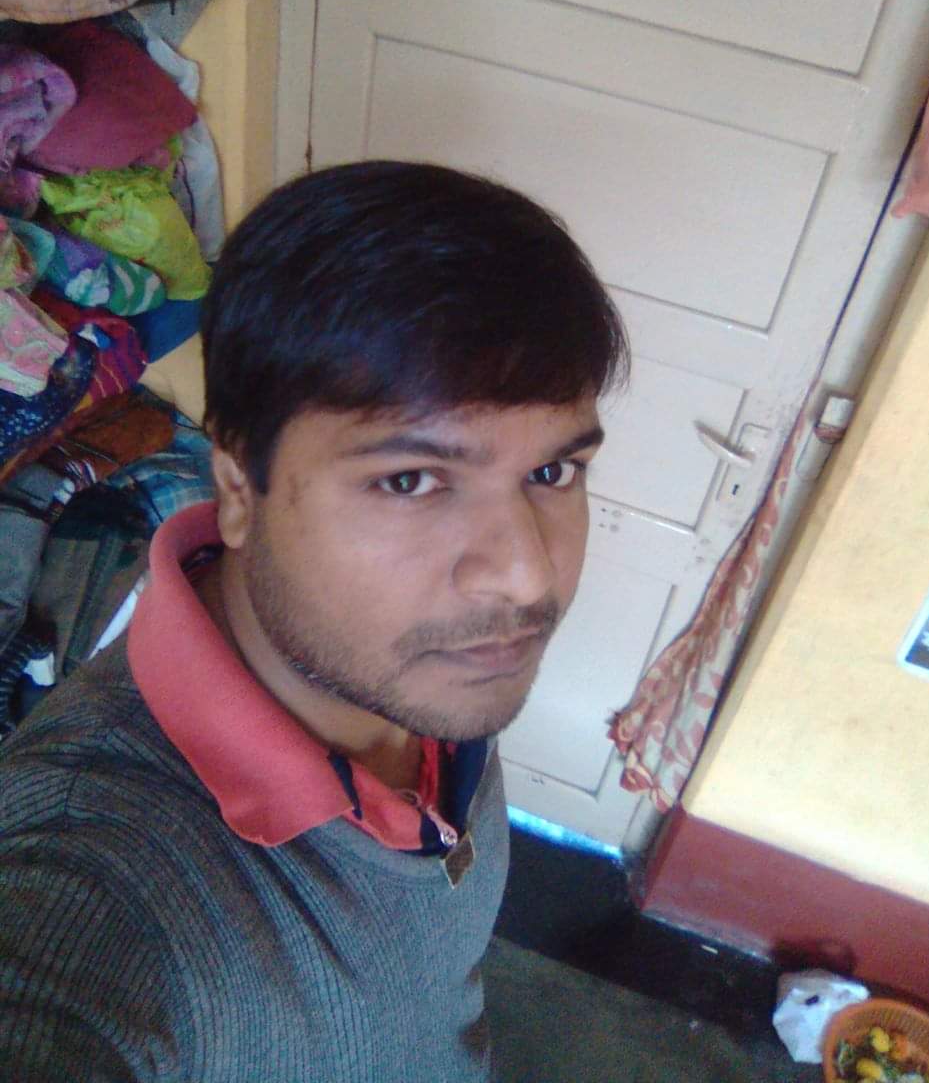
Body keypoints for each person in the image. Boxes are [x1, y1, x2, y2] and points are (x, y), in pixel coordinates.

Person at [0, 161, 629, 1081]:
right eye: (410, 480)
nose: (524, 573)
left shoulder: (418, 665)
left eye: (551, 473)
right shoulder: (90, 881)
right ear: (237, 488)